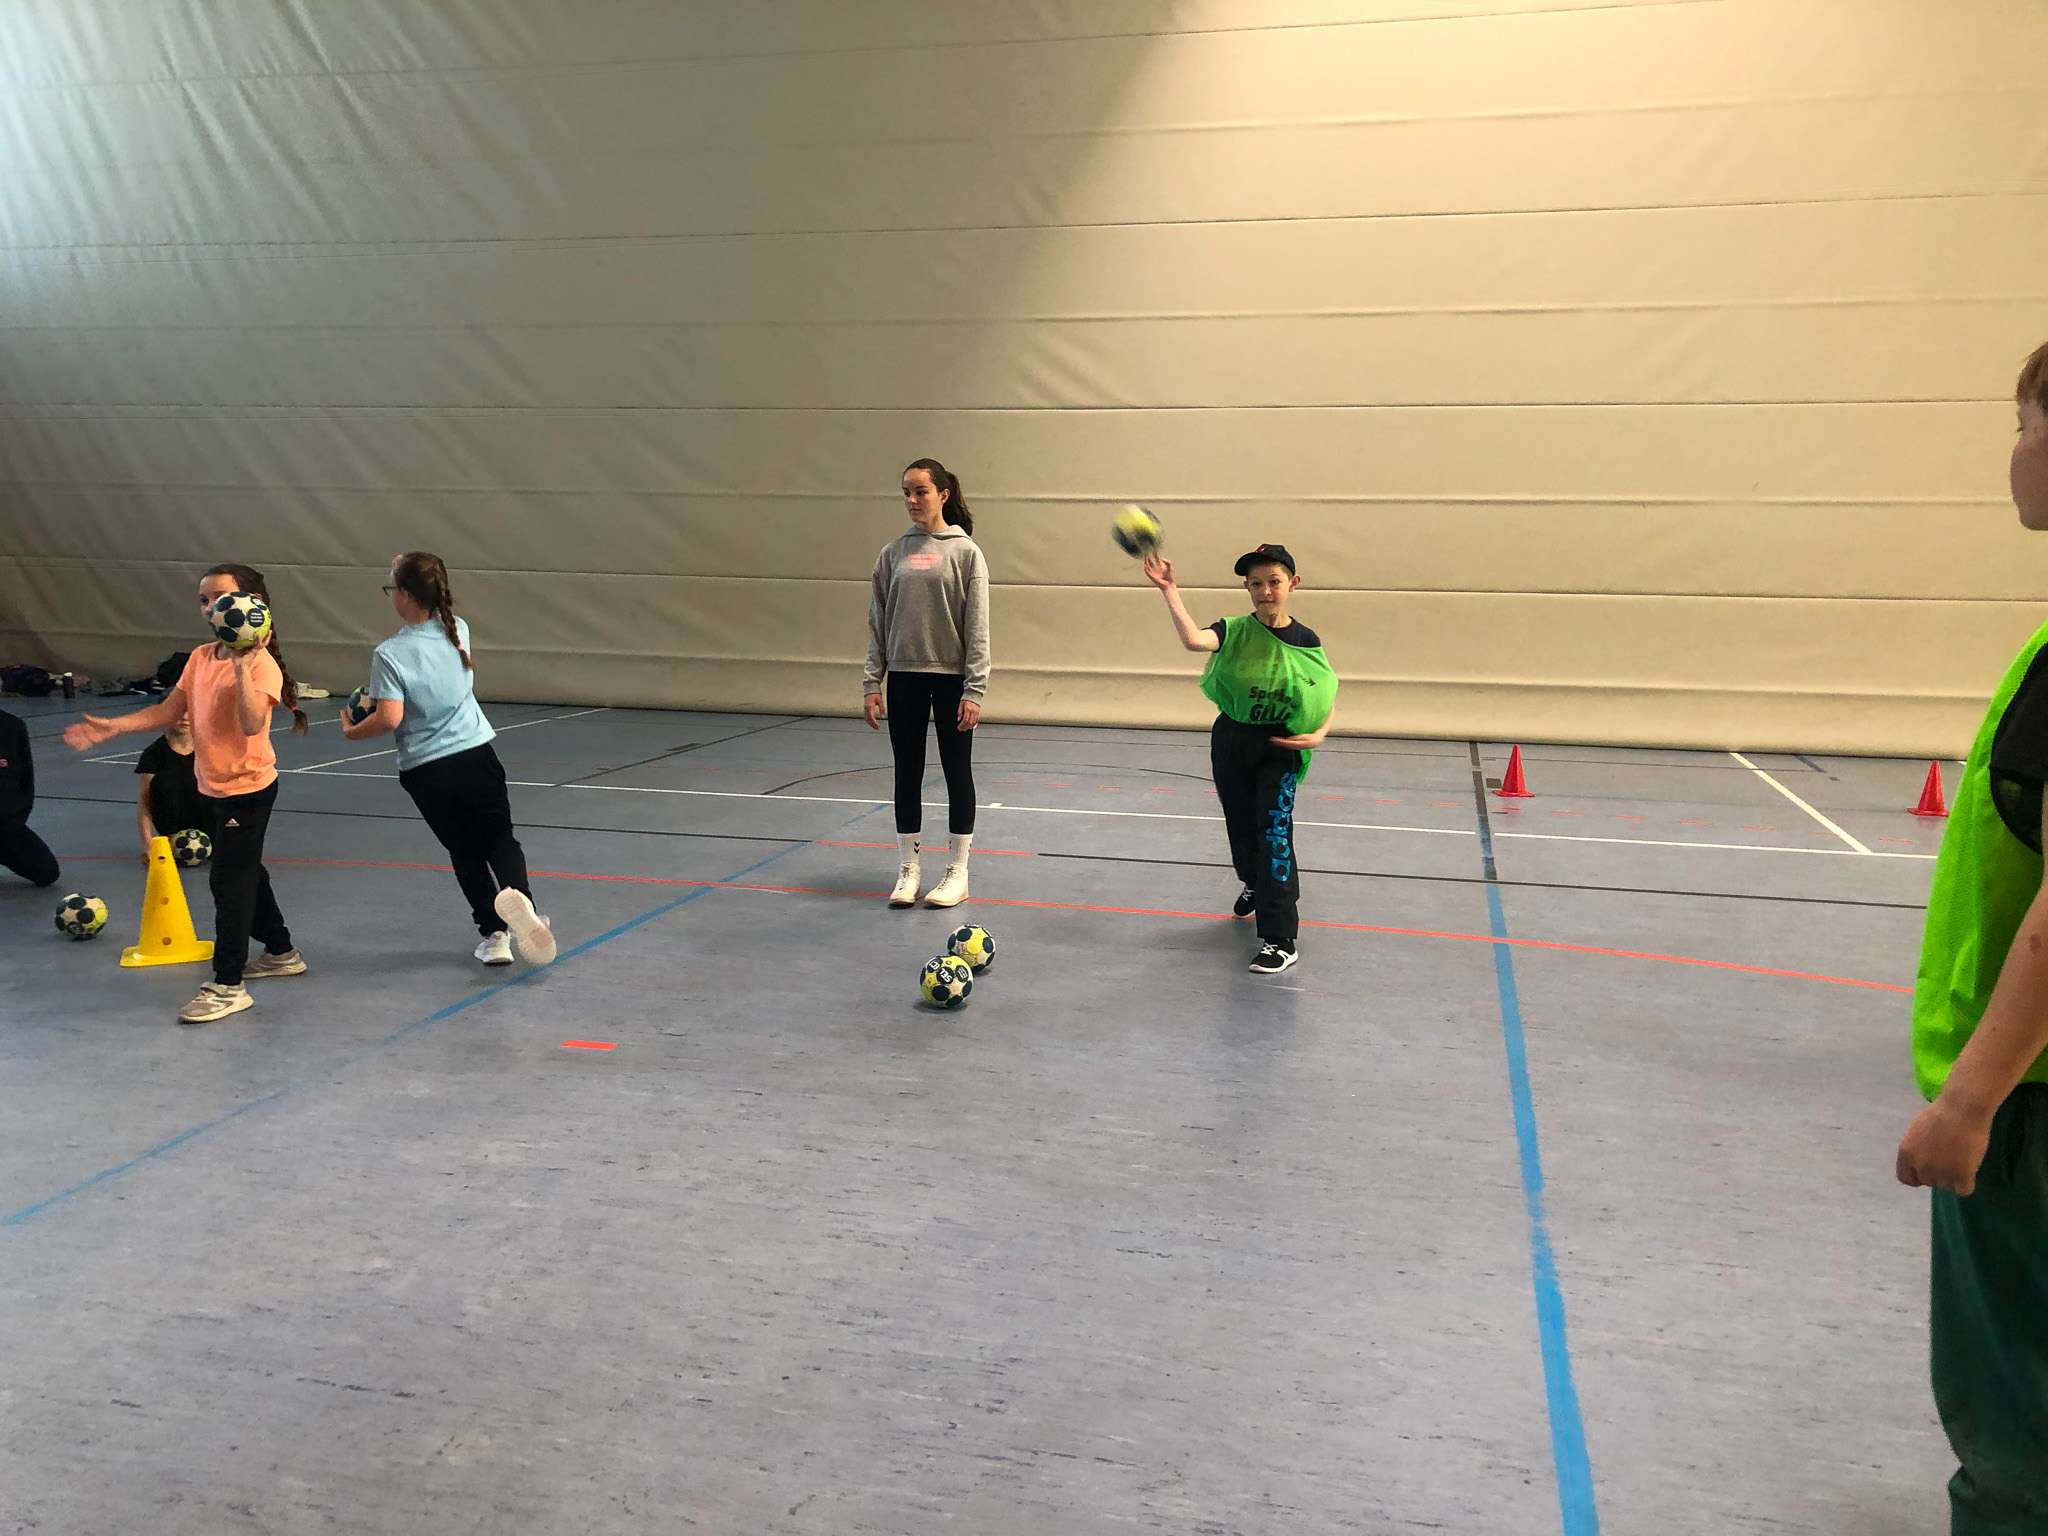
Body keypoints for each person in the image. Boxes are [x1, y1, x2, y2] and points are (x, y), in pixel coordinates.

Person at [1896, 340, 2048, 1531]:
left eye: (2024, 423)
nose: (2013, 451)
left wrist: (1968, 1098)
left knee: (2012, 1416)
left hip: (2030, 1113)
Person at [64, 563, 309, 1023]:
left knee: (228, 882)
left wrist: (241, 666)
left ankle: (228, 985)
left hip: (247, 790)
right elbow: (168, 711)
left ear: (252, 605)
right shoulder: (200, 657)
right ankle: (281, 952)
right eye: (203, 600)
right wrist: (114, 727)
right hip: (211, 784)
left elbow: (251, 723)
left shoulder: (262, 666)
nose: (210, 608)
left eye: (219, 598)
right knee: (247, 872)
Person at [339, 552, 554, 967]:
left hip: (428, 770)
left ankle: (494, 936)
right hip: (477, 755)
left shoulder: (390, 653)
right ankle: (524, 906)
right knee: (500, 839)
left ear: (404, 594)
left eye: (391, 589)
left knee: (465, 851)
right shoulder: (459, 631)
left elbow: (389, 718)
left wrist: (353, 730)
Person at [1143, 542, 1337, 974]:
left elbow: (1325, 693)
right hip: (1233, 739)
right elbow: (1195, 640)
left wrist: (1319, 733)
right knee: (1241, 823)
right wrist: (1169, 590)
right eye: (1256, 584)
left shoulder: (1306, 641)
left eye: (1274, 582)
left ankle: (1280, 938)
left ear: (1292, 583)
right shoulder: (1232, 630)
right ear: (1247, 588)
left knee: (1275, 833)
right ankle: (1254, 883)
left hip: (1280, 745)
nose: (1266, 591)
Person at [862, 457, 990, 909]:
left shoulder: (966, 553)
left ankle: (958, 871)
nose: (912, 501)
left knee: (957, 771)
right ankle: (909, 869)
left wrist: (974, 689)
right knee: (907, 773)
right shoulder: (892, 554)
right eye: (906, 493)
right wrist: (872, 682)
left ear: (942, 494)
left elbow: (977, 627)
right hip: (904, 679)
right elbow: (877, 621)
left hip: (952, 680)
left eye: (920, 491)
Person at [0, 707, 60, 888]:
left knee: (46, 872)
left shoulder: (11, 726)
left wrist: (14, 823)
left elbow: (25, 781)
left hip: (4, 826)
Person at [135, 717, 206, 859]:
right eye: (178, 712)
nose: (184, 717)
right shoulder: (153, 754)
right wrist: (148, 843)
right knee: (165, 783)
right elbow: (145, 802)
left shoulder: (209, 749)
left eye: (189, 711)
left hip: (211, 829)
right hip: (173, 836)